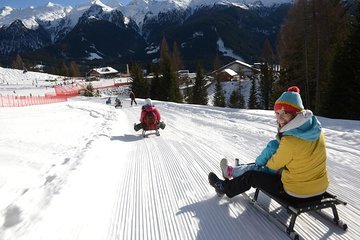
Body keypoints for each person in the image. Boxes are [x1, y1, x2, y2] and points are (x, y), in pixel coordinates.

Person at [209, 86, 329, 204]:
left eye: (285, 113)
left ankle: (224, 187)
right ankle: (232, 172)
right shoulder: (316, 131)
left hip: (296, 194)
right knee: (265, 165)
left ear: (297, 114)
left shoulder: (290, 140)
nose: (280, 118)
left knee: (253, 175)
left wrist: (264, 160)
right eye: (277, 113)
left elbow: (272, 165)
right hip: (320, 189)